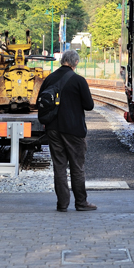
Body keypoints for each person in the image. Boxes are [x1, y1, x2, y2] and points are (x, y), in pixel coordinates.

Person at [40, 50, 96, 212]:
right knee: (77, 166)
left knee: (59, 167)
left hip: (52, 128)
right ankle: (81, 203)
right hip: (73, 129)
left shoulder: (49, 79)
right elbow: (89, 106)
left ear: (62, 61)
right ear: (75, 62)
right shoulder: (78, 80)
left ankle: (62, 204)